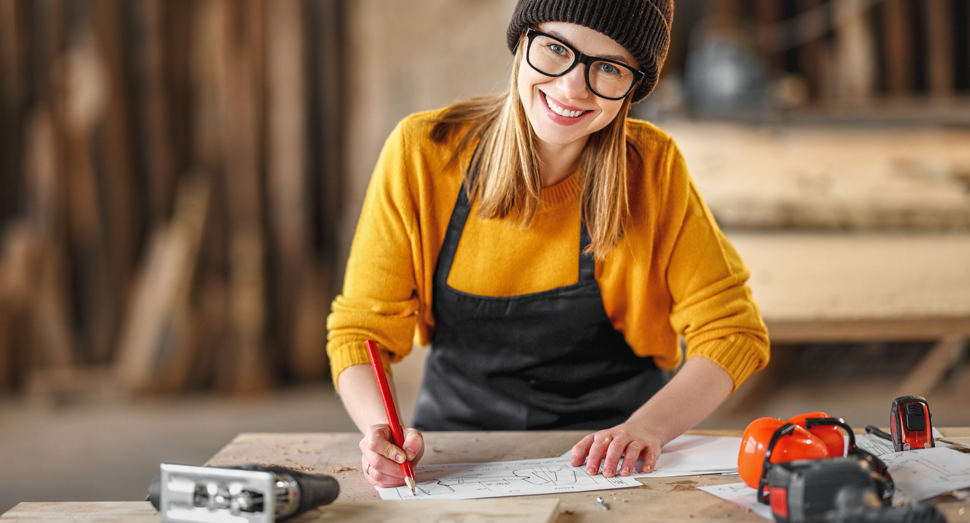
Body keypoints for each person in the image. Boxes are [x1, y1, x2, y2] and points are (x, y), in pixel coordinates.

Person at [327, 0, 770, 490]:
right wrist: (379, 433)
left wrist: (647, 429)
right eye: (557, 49)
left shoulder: (653, 170)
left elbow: (732, 330)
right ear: (524, 41)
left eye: (608, 67)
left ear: (634, 85)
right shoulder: (422, 153)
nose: (572, 87)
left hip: (615, 460)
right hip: (460, 453)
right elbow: (359, 330)